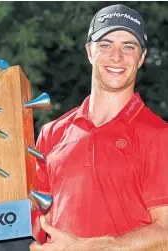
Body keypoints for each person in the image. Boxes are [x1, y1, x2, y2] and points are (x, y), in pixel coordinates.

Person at [29, 4, 168, 251]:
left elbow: (166, 233)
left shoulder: (158, 135)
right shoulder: (53, 133)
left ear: (142, 57)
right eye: (105, 45)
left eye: (128, 47)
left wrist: (91, 246)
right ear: (89, 51)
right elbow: (38, 224)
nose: (117, 56)